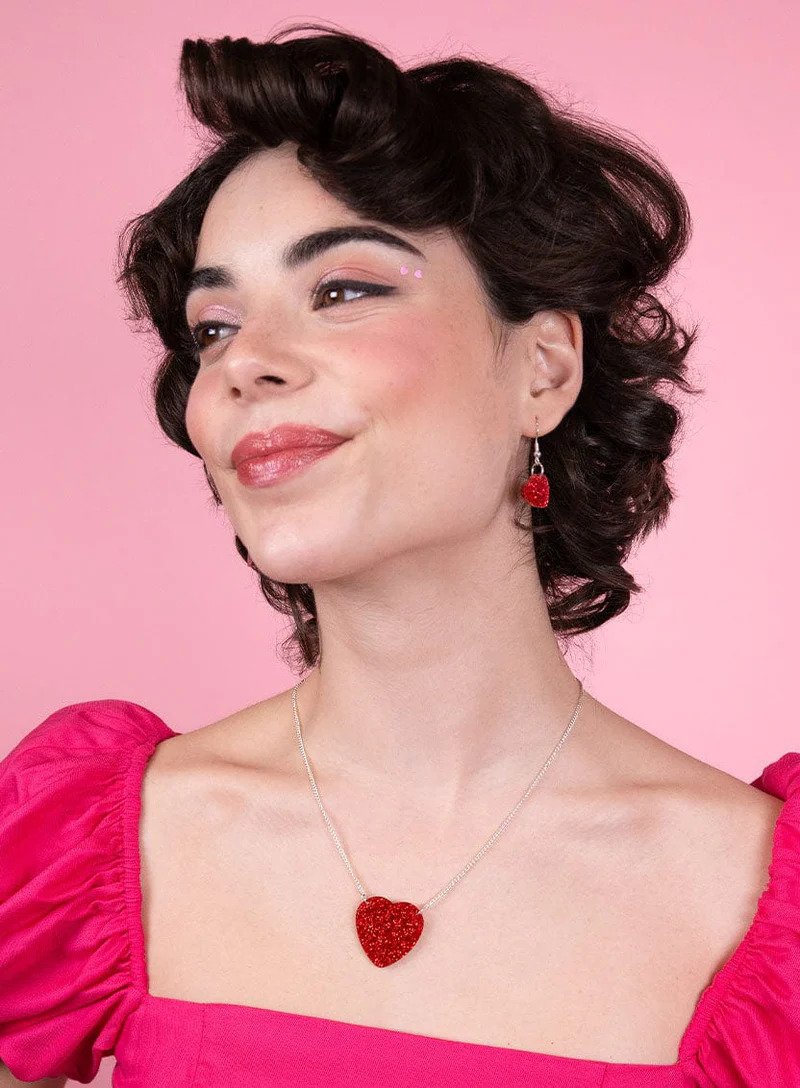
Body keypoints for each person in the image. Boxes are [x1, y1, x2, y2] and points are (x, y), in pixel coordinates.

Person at [1, 23, 797, 1088]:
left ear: (543, 369)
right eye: (213, 326)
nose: (244, 365)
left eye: (341, 291)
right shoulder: (73, 849)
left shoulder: (758, 906)